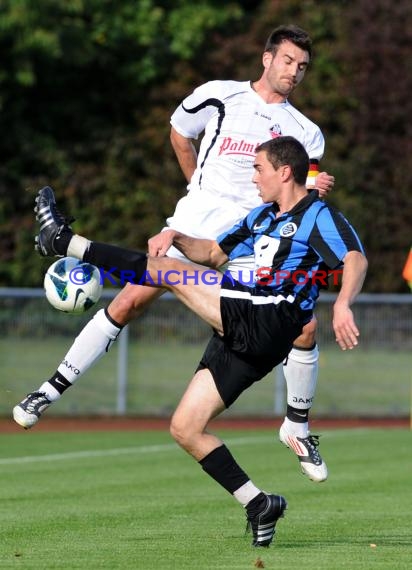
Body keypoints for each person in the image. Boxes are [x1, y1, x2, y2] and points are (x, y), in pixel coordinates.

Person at [13, 25, 334, 482]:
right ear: (266, 58)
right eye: (287, 61)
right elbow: (180, 134)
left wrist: (313, 188)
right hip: (192, 229)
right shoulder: (219, 95)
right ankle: (47, 391)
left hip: (244, 248)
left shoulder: (307, 132)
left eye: (302, 67)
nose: (294, 72)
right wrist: (193, 193)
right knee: (127, 302)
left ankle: (297, 428)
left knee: (303, 327)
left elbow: (299, 194)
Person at [20, 137, 367, 547]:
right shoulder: (260, 217)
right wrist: (177, 235)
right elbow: (213, 254)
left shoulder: (318, 213)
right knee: (185, 429)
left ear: (284, 171)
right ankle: (259, 505)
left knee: (166, 272)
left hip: (267, 316)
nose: (253, 178)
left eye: (258, 169)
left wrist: (343, 303)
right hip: (242, 333)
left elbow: (355, 258)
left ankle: (64, 242)